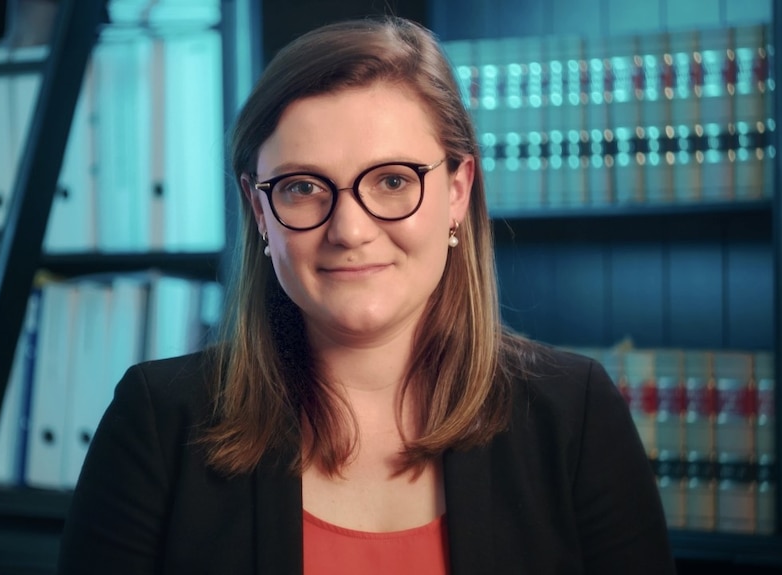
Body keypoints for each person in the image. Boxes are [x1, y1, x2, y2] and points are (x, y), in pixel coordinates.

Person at [58, 15, 676, 574]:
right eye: (303, 187)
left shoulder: (576, 416)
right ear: (259, 210)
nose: (349, 230)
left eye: (391, 181)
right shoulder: (158, 423)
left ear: (458, 191)